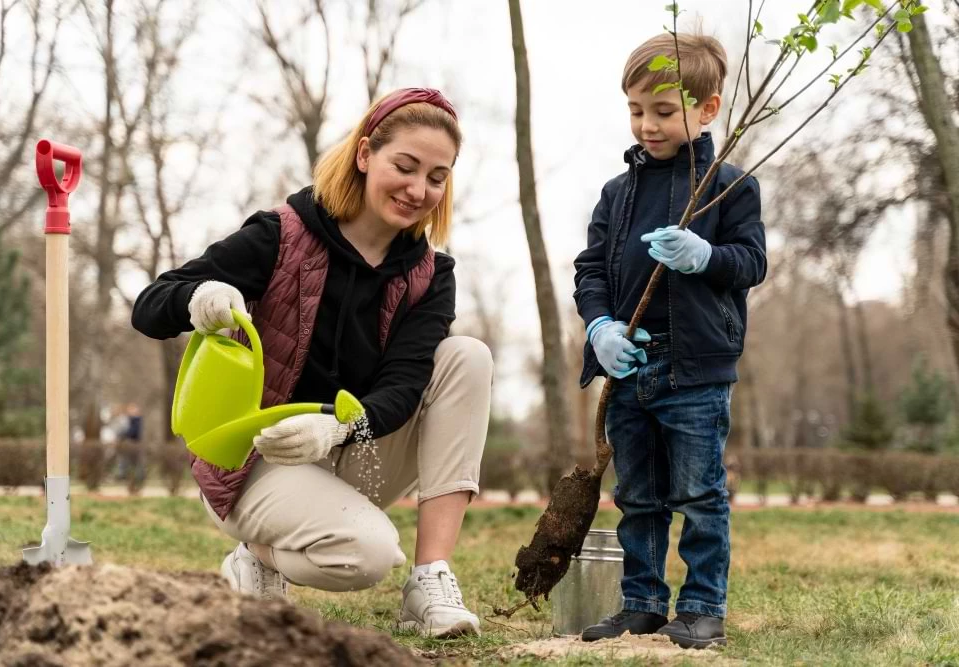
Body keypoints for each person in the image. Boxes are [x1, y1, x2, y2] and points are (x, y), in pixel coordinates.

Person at [132, 87, 492, 638]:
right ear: (366, 154)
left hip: (343, 446)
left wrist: (338, 427)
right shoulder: (281, 234)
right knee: (367, 557)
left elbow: (404, 385)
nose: (419, 189)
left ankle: (430, 579)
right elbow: (150, 306)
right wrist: (197, 296)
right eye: (406, 165)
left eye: (437, 176)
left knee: (467, 356)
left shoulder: (429, 274)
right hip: (253, 463)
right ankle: (256, 555)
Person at [572, 33, 766, 649]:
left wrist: (706, 254)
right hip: (629, 369)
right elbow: (591, 271)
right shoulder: (616, 194)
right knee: (638, 497)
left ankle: (703, 606)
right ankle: (643, 603)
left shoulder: (730, 186)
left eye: (663, 111)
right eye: (636, 110)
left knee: (699, 494)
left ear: (707, 109)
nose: (646, 125)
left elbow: (751, 262)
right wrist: (600, 328)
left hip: (696, 372)